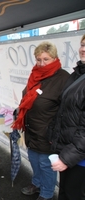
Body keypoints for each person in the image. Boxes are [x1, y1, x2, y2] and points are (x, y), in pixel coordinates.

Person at [12, 41, 70, 200]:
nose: (42, 63)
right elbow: (27, 97)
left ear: (55, 58)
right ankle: (36, 183)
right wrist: (20, 111)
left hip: (49, 133)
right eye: (38, 59)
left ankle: (46, 193)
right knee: (34, 160)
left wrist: (56, 133)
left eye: (46, 59)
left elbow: (67, 111)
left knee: (46, 166)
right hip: (32, 129)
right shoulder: (35, 74)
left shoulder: (64, 78)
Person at [48, 34, 85, 200]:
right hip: (69, 151)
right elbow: (65, 111)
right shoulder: (76, 74)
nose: (83, 49)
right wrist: (53, 136)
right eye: (83, 44)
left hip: (80, 158)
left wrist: (67, 158)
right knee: (64, 193)